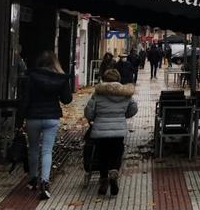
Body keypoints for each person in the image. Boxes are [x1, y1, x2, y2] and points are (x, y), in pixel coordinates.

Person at [19, 51, 72, 200]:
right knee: (47, 151)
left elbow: (25, 100)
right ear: (55, 63)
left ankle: (33, 179)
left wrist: (19, 121)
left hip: (33, 117)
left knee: (34, 149)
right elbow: (67, 99)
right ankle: (45, 183)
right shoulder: (59, 78)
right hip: (51, 117)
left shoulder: (31, 77)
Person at [84, 68, 138, 196]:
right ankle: (114, 173)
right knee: (117, 152)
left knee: (102, 154)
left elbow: (89, 112)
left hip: (100, 130)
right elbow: (133, 109)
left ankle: (103, 179)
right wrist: (124, 115)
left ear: (104, 79)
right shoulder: (126, 94)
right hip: (118, 131)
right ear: (118, 79)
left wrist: (92, 118)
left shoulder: (97, 94)